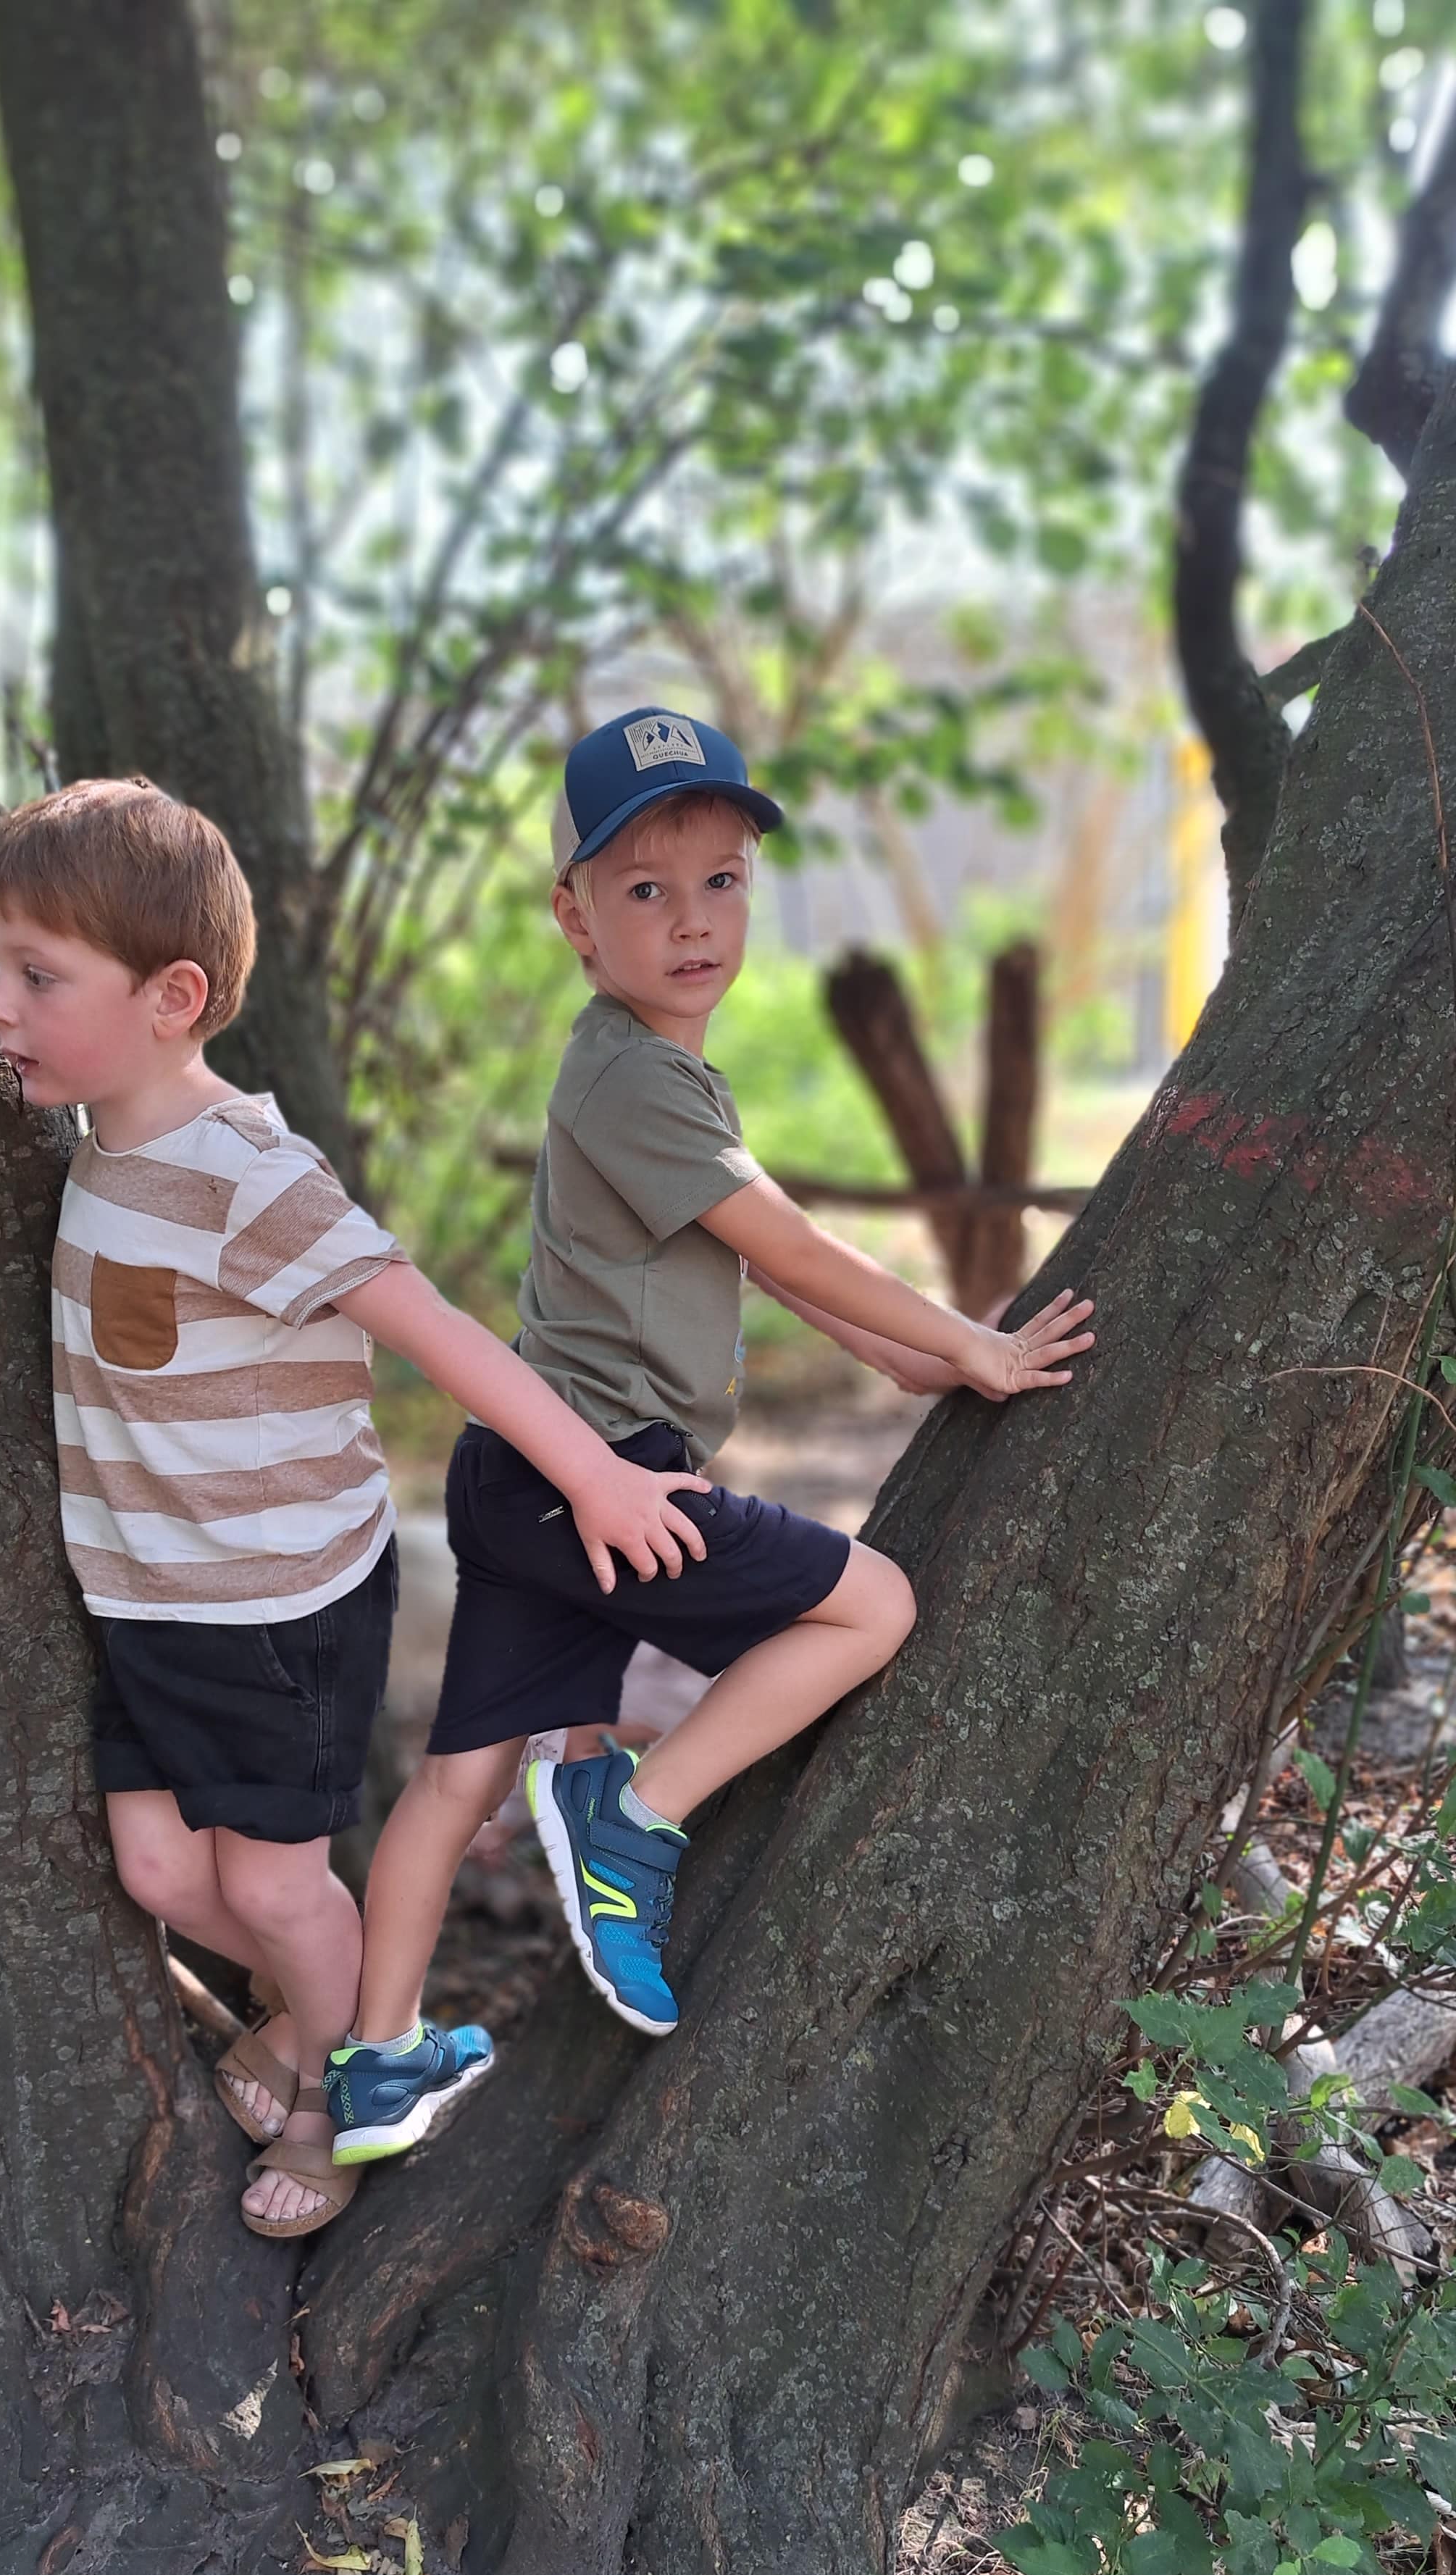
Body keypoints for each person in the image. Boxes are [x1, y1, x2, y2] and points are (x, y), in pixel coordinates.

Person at [332, 708, 1094, 2158]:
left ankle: (375, 2060)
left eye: (721, 881)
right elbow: (794, 1247)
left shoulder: (642, 1074)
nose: (690, 920)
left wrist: (909, 1358)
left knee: (454, 1778)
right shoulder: (632, 1074)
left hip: (523, 1472)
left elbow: (750, 1272)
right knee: (871, 1604)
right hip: (605, 1477)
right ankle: (635, 1812)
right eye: (642, 888)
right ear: (570, 917)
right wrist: (969, 1338)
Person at [0, 776, 712, 2238]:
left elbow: (430, 1324)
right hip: (148, 1599)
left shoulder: (249, 1174)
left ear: (173, 995)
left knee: (270, 1875)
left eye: (33, 976)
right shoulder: (99, 1141)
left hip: (272, 1607)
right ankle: (302, 2016)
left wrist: (594, 1471)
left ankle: (343, 2065)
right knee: (155, 1868)